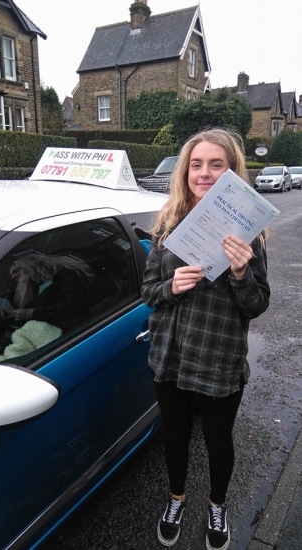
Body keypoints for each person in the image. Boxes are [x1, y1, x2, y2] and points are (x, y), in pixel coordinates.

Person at [141, 128, 270, 550]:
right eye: (197, 164)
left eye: (217, 165)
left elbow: (256, 304)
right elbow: (148, 293)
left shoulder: (248, 233)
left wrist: (239, 273)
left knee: (218, 442)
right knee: (175, 437)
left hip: (218, 356)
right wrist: (171, 287)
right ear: (185, 171)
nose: (205, 173)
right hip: (171, 355)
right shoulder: (167, 226)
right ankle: (176, 498)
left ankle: (217, 504)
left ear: (232, 171)